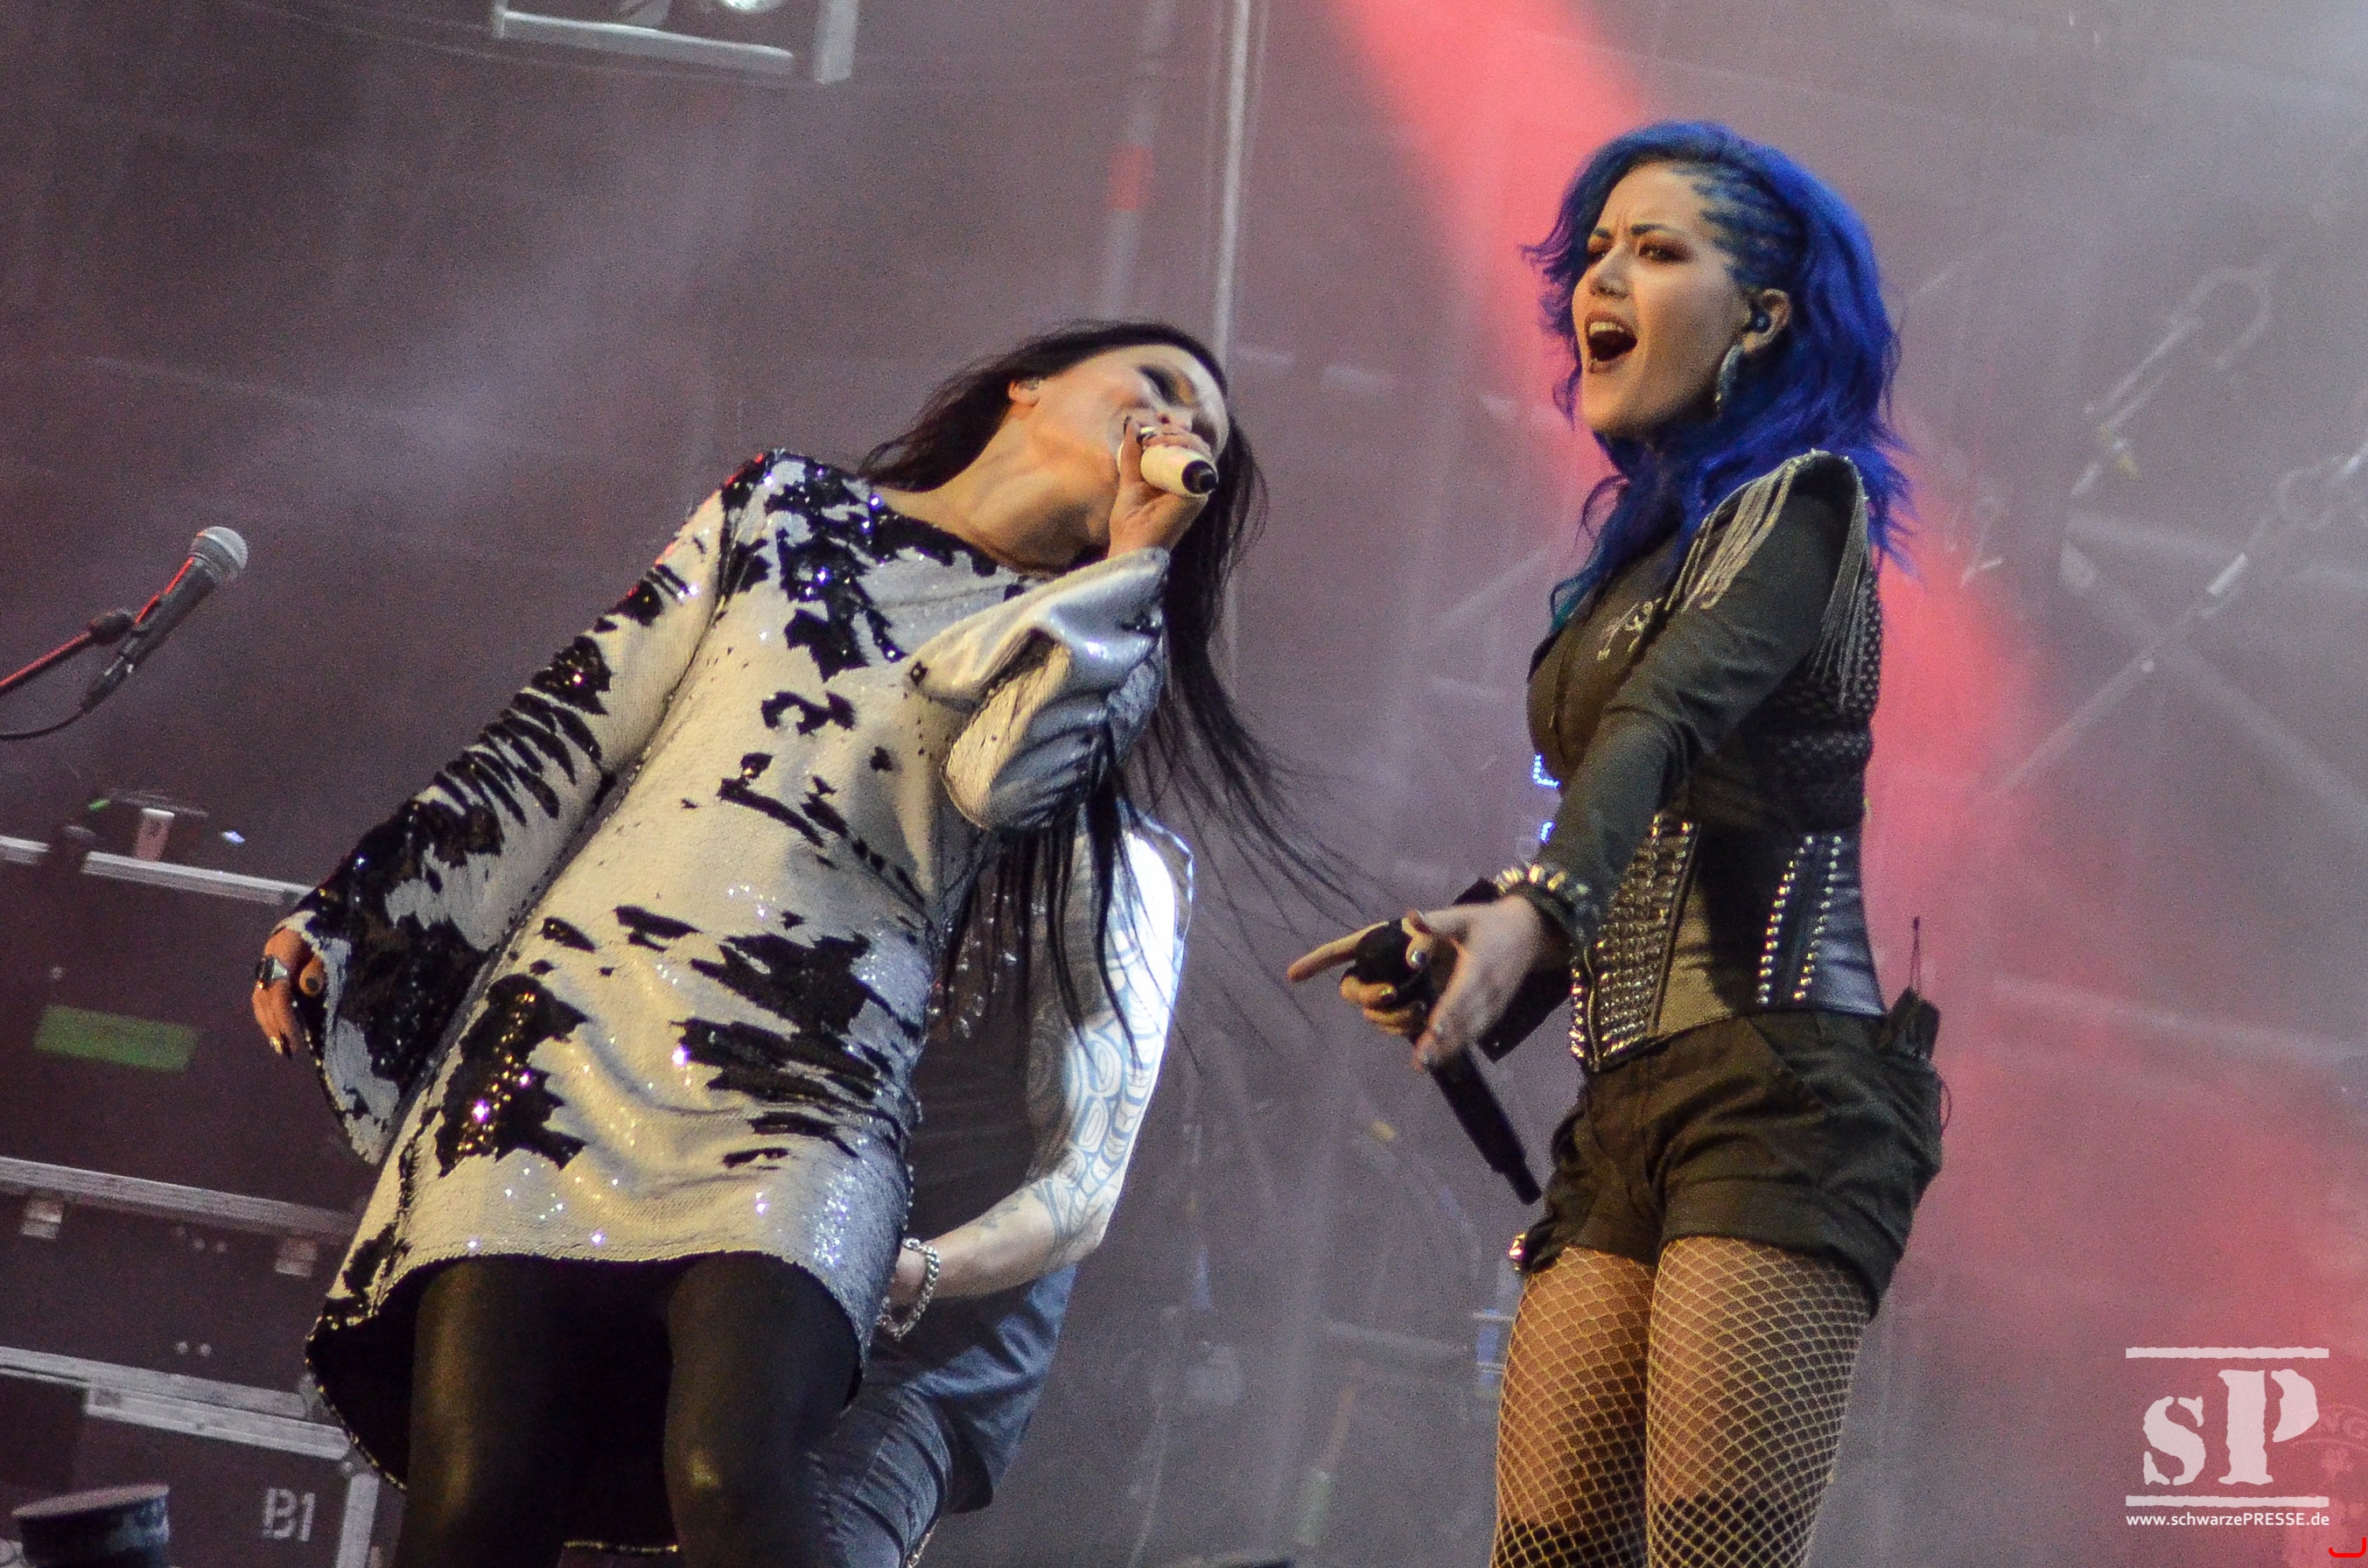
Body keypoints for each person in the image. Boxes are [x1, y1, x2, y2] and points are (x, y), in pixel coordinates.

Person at [250, 320, 1299, 1568]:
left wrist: (1130, 567)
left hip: (805, 1086)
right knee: (478, 1497)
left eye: (1205, 435)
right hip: (561, 1044)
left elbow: (999, 782)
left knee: (733, 1471)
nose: (1177, 426)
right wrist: (360, 905)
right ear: (1027, 386)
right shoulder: (780, 505)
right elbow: (571, 722)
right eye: (1161, 386)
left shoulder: (1101, 639)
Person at [1289, 122, 1944, 1568]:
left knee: (1709, 1546)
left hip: (1782, 1088)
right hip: (1624, 1098)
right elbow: (1641, 824)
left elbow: (1666, 718)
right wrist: (1477, 951)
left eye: (1655, 249)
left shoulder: (1805, 501)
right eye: (1593, 249)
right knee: (1545, 1549)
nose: (1601, 276)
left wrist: (1533, 907)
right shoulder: (1632, 564)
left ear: (1761, 315)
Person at [808, 815, 1188, 1565]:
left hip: (909, 1368)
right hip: (746, 1310)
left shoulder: (1104, 872)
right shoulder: (848, 817)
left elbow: (1081, 1189)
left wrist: (904, 1271)